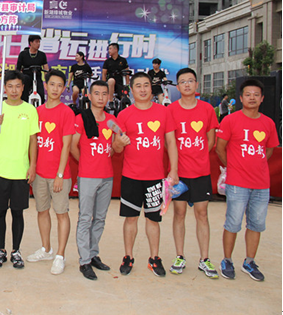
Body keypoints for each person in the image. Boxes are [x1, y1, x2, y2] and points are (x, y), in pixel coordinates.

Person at [112, 72, 178, 277]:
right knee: (130, 219)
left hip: (155, 177)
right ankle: (128, 256)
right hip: (131, 176)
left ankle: (154, 258)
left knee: (153, 220)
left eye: (146, 85)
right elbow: (116, 148)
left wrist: (174, 170)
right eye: (138, 86)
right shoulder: (124, 115)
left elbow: (171, 142)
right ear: (131, 90)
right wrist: (119, 143)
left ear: (152, 88)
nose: (142, 89)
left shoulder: (164, 112)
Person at [216, 79, 278, 282]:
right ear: (241, 98)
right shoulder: (231, 120)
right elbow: (220, 148)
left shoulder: (268, 123)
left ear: (262, 98)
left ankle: (249, 262)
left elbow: (269, 150)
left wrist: (256, 166)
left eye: (256, 95)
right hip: (237, 183)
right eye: (248, 94)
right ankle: (227, 260)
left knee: (256, 224)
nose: (252, 98)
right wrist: (234, 167)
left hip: (261, 184)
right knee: (233, 223)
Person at [167, 68, 219, 278]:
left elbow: (211, 140)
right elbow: (168, 142)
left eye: (190, 81)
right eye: (183, 82)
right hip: (179, 173)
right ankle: (180, 256)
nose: (187, 84)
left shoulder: (207, 109)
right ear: (178, 87)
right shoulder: (171, 110)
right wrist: (176, 166)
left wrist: (198, 157)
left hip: (201, 172)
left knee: (202, 214)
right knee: (179, 213)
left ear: (197, 85)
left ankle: (204, 259)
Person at [0, 70, 39, 269]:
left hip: (20, 171)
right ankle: (1, 250)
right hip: (0, 170)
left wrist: (32, 165)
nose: (14, 90)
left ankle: (16, 251)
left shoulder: (30, 110)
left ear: (23, 88)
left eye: (18, 86)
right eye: (10, 86)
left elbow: (33, 140)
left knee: (18, 213)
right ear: (4, 88)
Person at [27, 70, 74, 275]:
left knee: (61, 213)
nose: (55, 89)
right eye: (52, 84)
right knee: (42, 211)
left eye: (59, 85)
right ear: (45, 86)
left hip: (59, 175)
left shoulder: (66, 112)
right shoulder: (37, 112)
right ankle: (46, 249)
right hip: (40, 174)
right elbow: (33, 142)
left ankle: (60, 255)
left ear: (64, 89)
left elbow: (66, 146)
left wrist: (60, 175)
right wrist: (32, 167)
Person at [70, 80, 115, 280]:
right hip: (88, 175)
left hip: (107, 176)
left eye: (104, 94)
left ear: (108, 97)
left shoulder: (112, 120)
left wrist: (117, 147)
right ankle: (84, 261)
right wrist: (86, 162)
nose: (101, 97)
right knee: (85, 218)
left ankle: (94, 253)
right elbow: (73, 146)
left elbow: (114, 146)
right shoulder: (81, 118)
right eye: (97, 93)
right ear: (89, 96)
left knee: (100, 218)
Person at [16, 35, 49, 104]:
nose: (38, 44)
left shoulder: (42, 55)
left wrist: (48, 79)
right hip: (26, 77)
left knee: (41, 94)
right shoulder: (23, 54)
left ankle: (40, 107)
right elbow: (18, 68)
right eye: (36, 42)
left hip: (37, 77)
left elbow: (45, 67)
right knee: (24, 92)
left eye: (39, 42)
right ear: (31, 43)